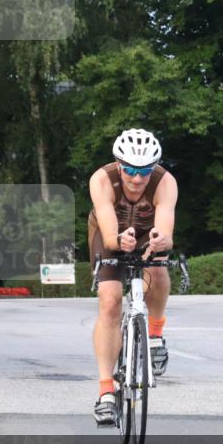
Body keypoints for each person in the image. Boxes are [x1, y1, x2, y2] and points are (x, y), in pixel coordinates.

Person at [88, 128, 178, 426]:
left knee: (159, 269)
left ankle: (154, 334)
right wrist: (117, 240)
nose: (137, 178)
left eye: (144, 171)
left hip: (147, 232)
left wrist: (161, 241)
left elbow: (165, 229)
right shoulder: (102, 179)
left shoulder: (165, 182)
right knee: (111, 302)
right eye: (129, 169)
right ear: (118, 164)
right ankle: (105, 392)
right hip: (109, 232)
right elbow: (107, 223)